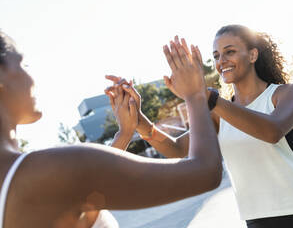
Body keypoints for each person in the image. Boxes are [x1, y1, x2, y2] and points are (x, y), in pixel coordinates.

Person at [112, 27, 293, 228]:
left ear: (253, 54)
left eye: (229, 52)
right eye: (216, 55)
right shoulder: (220, 113)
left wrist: (204, 96)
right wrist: (138, 118)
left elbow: (272, 132)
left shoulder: (285, 93)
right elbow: (176, 149)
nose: (221, 61)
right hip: (258, 220)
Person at [0, 31, 222, 228]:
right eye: (24, 64)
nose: (32, 78)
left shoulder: (34, 177)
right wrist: (195, 94)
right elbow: (205, 172)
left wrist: (125, 133)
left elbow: (82, 184)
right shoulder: (52, 169)